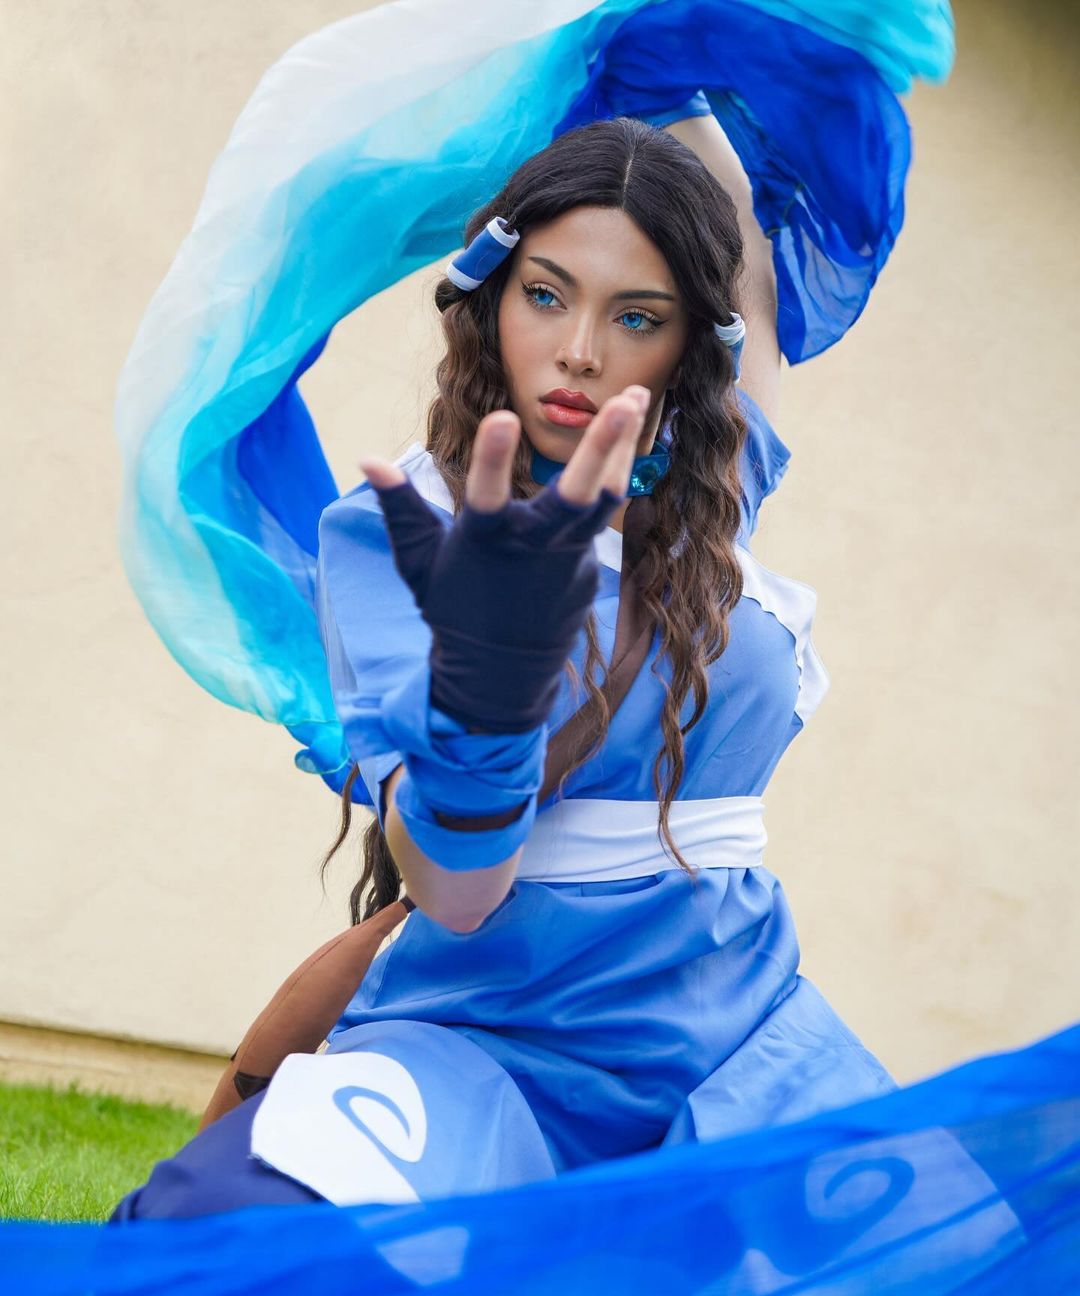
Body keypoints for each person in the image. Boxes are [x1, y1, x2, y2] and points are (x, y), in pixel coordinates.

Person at [111, 107, 903, 1219]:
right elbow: (452, 886)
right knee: (243, 1242)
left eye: (638, 316)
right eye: (545, 294)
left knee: (958, 1275)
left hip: (741, 1045)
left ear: (689, 346)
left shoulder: (714, 497)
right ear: (492, 297)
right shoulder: (403, 533)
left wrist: (664, 60)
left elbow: (745, 261)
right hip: (496, 1042)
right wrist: (488, 692)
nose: (581, 349)